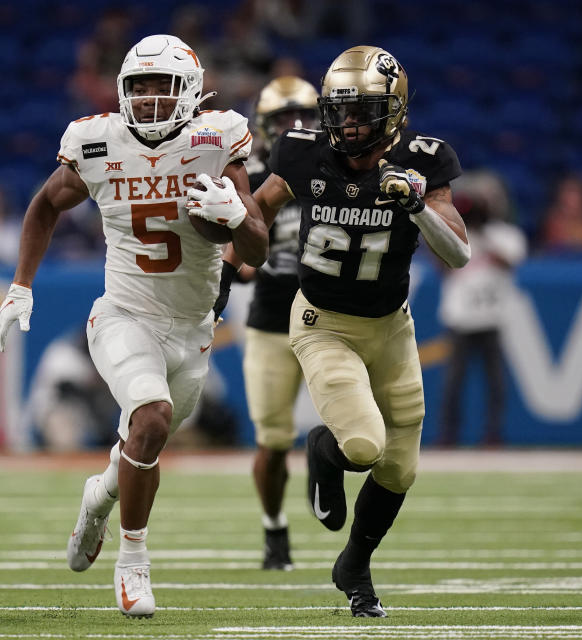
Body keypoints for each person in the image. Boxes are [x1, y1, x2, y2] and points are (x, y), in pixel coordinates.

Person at [0, 34, 268, 618]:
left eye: (162, 87)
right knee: (151, 417)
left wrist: (238, 216)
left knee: (142, 443)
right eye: (138, 87)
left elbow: (259, 249)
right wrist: (21, 284)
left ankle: (99, 497)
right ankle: (133, 562)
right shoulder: (95, 142)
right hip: (122, 314)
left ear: (190, 93)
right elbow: (45, 204)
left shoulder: (216, 140)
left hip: (193, 328)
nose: (148, 99)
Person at [226, 46, 469, 617]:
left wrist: (416, 206)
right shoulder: (303, 153)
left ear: (393, 110)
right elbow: (254, 222)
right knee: (362, 444)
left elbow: (457, 253)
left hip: (392, 327)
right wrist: (223, 246)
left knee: (401, 466)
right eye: (337, 109)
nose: (344, 122)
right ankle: (323, 449)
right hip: (322, 322)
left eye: (359, 109)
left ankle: (355, 565)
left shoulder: (424, 160)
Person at [214, 75, 319, 571]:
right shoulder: (247, 173)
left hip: (335, 315)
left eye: (305, 115)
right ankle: (275, 529)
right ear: (264, 125)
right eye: (284, 118)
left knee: (353, 428)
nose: (296, 126)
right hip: (274, 313)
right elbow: (235, 252)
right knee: (274, 441)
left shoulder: (338, 165)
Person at [437, 171, 527, 447]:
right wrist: (466, 226)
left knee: (496, 383)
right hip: (461, 317)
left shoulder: (507, 234)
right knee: (453, 383)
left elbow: (509, 261)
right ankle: (448, 435)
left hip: (492, 318)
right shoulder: (457, 232)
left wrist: (484, 232)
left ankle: (493, 433)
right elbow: (443, 266)